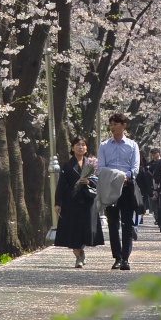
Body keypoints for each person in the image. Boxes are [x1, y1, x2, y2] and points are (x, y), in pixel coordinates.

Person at [97, 112, 140, 270]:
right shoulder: (104, 146)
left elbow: (135, 168)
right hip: (110, 187)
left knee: (127, 222)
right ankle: (117, 257)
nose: (112, 127)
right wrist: (115, 175)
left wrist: (125, 176)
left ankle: (126, 258)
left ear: (123, 125)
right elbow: (100, 168)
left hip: (126, 187)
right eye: (111, 124)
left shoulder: (132, 145)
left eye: (115, 124)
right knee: (113, 223)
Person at [54, 136, 100, 267]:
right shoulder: (67, 165)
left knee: (86, 229)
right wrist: (58, 203)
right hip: (71, 202)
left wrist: (89, 181)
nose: (81, 147)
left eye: (83, 145)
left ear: (86, 148)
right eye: (78, 144)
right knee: (74, 231)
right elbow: (61, 185)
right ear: (72, 148)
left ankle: (82, 249)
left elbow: (98, 181)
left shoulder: (91, 164)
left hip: (88, 200)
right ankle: (78, 256)